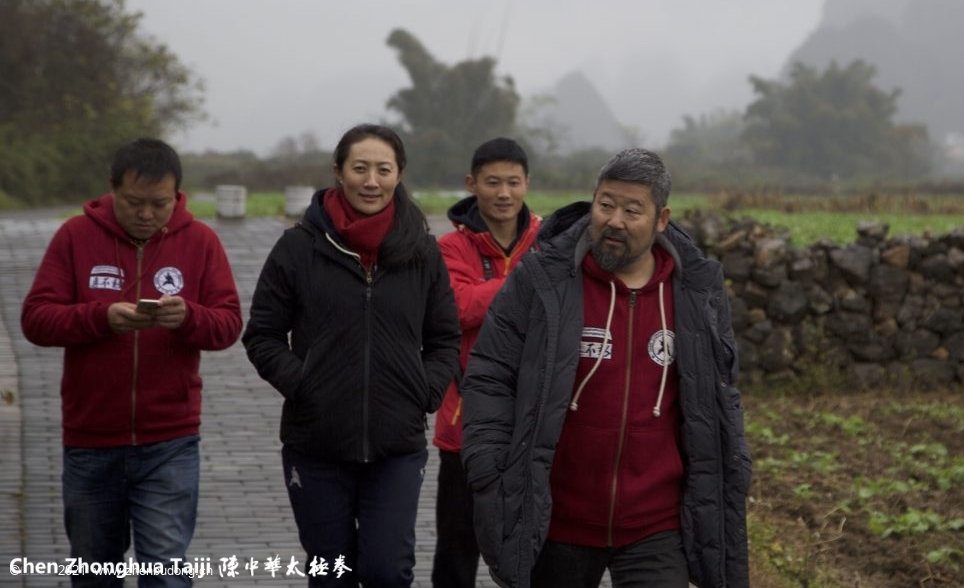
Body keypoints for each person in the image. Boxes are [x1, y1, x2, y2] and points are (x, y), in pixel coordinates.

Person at [461, 148, 751, 588]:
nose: (614, 220)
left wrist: (737, 464)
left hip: (657, 524)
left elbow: (720, 391)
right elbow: (490, 374)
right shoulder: (543, 280)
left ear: (661, 219)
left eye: (632, 210)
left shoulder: (695, 290)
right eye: (606, 204)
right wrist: (488, 464)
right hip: (558, 521)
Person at [242, 123, 460, 588]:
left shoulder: (421, 251)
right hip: (316, 445)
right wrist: (304, 384)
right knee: (331, 573)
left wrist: (425, 391)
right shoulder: (298, 247)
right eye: (360, 168)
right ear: (338, 171)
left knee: (387, 571)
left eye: (384, 170)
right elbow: (262, 335)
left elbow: (445, 338)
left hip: (396, 446)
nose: (371, 181)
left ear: (399, 174)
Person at [21, 138, 244, 587]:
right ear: (112, 188)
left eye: (159, 204)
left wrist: (189, 318)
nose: (146, 214)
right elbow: (36, 319)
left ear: (177, 194)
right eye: (133, 202)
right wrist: (100, 318)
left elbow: (228, 324)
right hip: (90, 440)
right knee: (94, 570)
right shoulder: (75, 236)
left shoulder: (200, 241)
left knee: (164, 569)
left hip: (171, 441)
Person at [431, 138, 542, 588]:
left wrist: (494, 292)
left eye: (513, 182)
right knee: (456, 549)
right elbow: (456, 307)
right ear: (471, 184)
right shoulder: (450, 247)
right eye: (493, 182)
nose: (504, 193)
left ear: (527, 183)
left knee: (534, 546)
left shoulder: (548, 240)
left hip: (535, 421)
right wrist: (527, 282)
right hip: (465, 423)